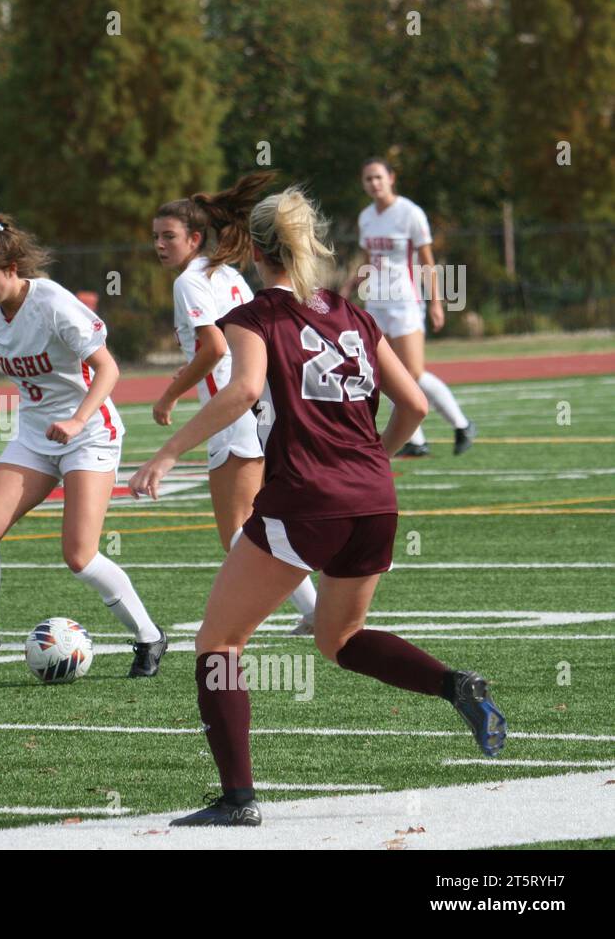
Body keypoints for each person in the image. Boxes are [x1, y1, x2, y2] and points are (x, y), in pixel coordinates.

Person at [129, 187, 506, 826]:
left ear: (252, 249)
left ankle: (238, 799)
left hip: (306, 498)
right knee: (340, 639)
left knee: (219, 641)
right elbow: (414, 405)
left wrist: (166, 453)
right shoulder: (351, 313)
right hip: (373, 501)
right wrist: (374, 462)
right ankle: (453, 684)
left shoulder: (255, 316)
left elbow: (243, 386)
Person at [0, 215, 168, 678]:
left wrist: (77, 418)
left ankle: (149, 636)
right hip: (34, 436)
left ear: (14, 268)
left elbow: (109, 369)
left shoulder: (52, 303)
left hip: (90, 434)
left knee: (79, 556)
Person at [150, 172, 319, 634]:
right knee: (260, 520)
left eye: (169, 237)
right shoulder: (225, 275)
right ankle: (312, 608)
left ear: (195, 238)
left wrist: (169, 393)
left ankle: (314, 609)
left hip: (233, 412)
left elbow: (215, 350)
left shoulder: (190, 282)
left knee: (239, 532)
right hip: (263, 406)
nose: (160, 245)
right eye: (156, 237)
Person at [342, 158, 475, 457]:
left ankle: (461, 423)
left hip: (405, 301)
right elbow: (367, 259)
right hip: (376, 301)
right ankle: (415, 440)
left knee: (412, 372)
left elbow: (427, 261)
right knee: (386, 372)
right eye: (368, 179)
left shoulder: (410, 213)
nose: (373, 183)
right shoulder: (366, 217)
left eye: (378, 177)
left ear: (391, 178)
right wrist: (350, 288)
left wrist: (436, 301)